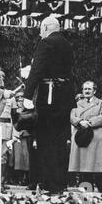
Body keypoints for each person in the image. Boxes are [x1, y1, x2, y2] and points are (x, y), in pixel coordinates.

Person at [22, 16, 74, 194]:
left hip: (49, 95)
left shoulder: (46, 43)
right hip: (64, 97)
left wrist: (27, 95)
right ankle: (59, 184)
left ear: (45, 27)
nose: (39, 32)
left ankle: (49, 185)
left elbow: (38, 69)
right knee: (60, 141)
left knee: (45, 140)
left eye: (40, 28)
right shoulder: (67, 44)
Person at [68, 81, 102, 193]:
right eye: (85, 89)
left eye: (89, 89)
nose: (86, 91)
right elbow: (72, 116)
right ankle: (86, 190)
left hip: (96, 137)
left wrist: (89, 122)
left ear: (94, 91)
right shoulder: (77, 103)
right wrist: (80, 122)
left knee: (98, 164)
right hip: (82, 136)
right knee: (84, 165)